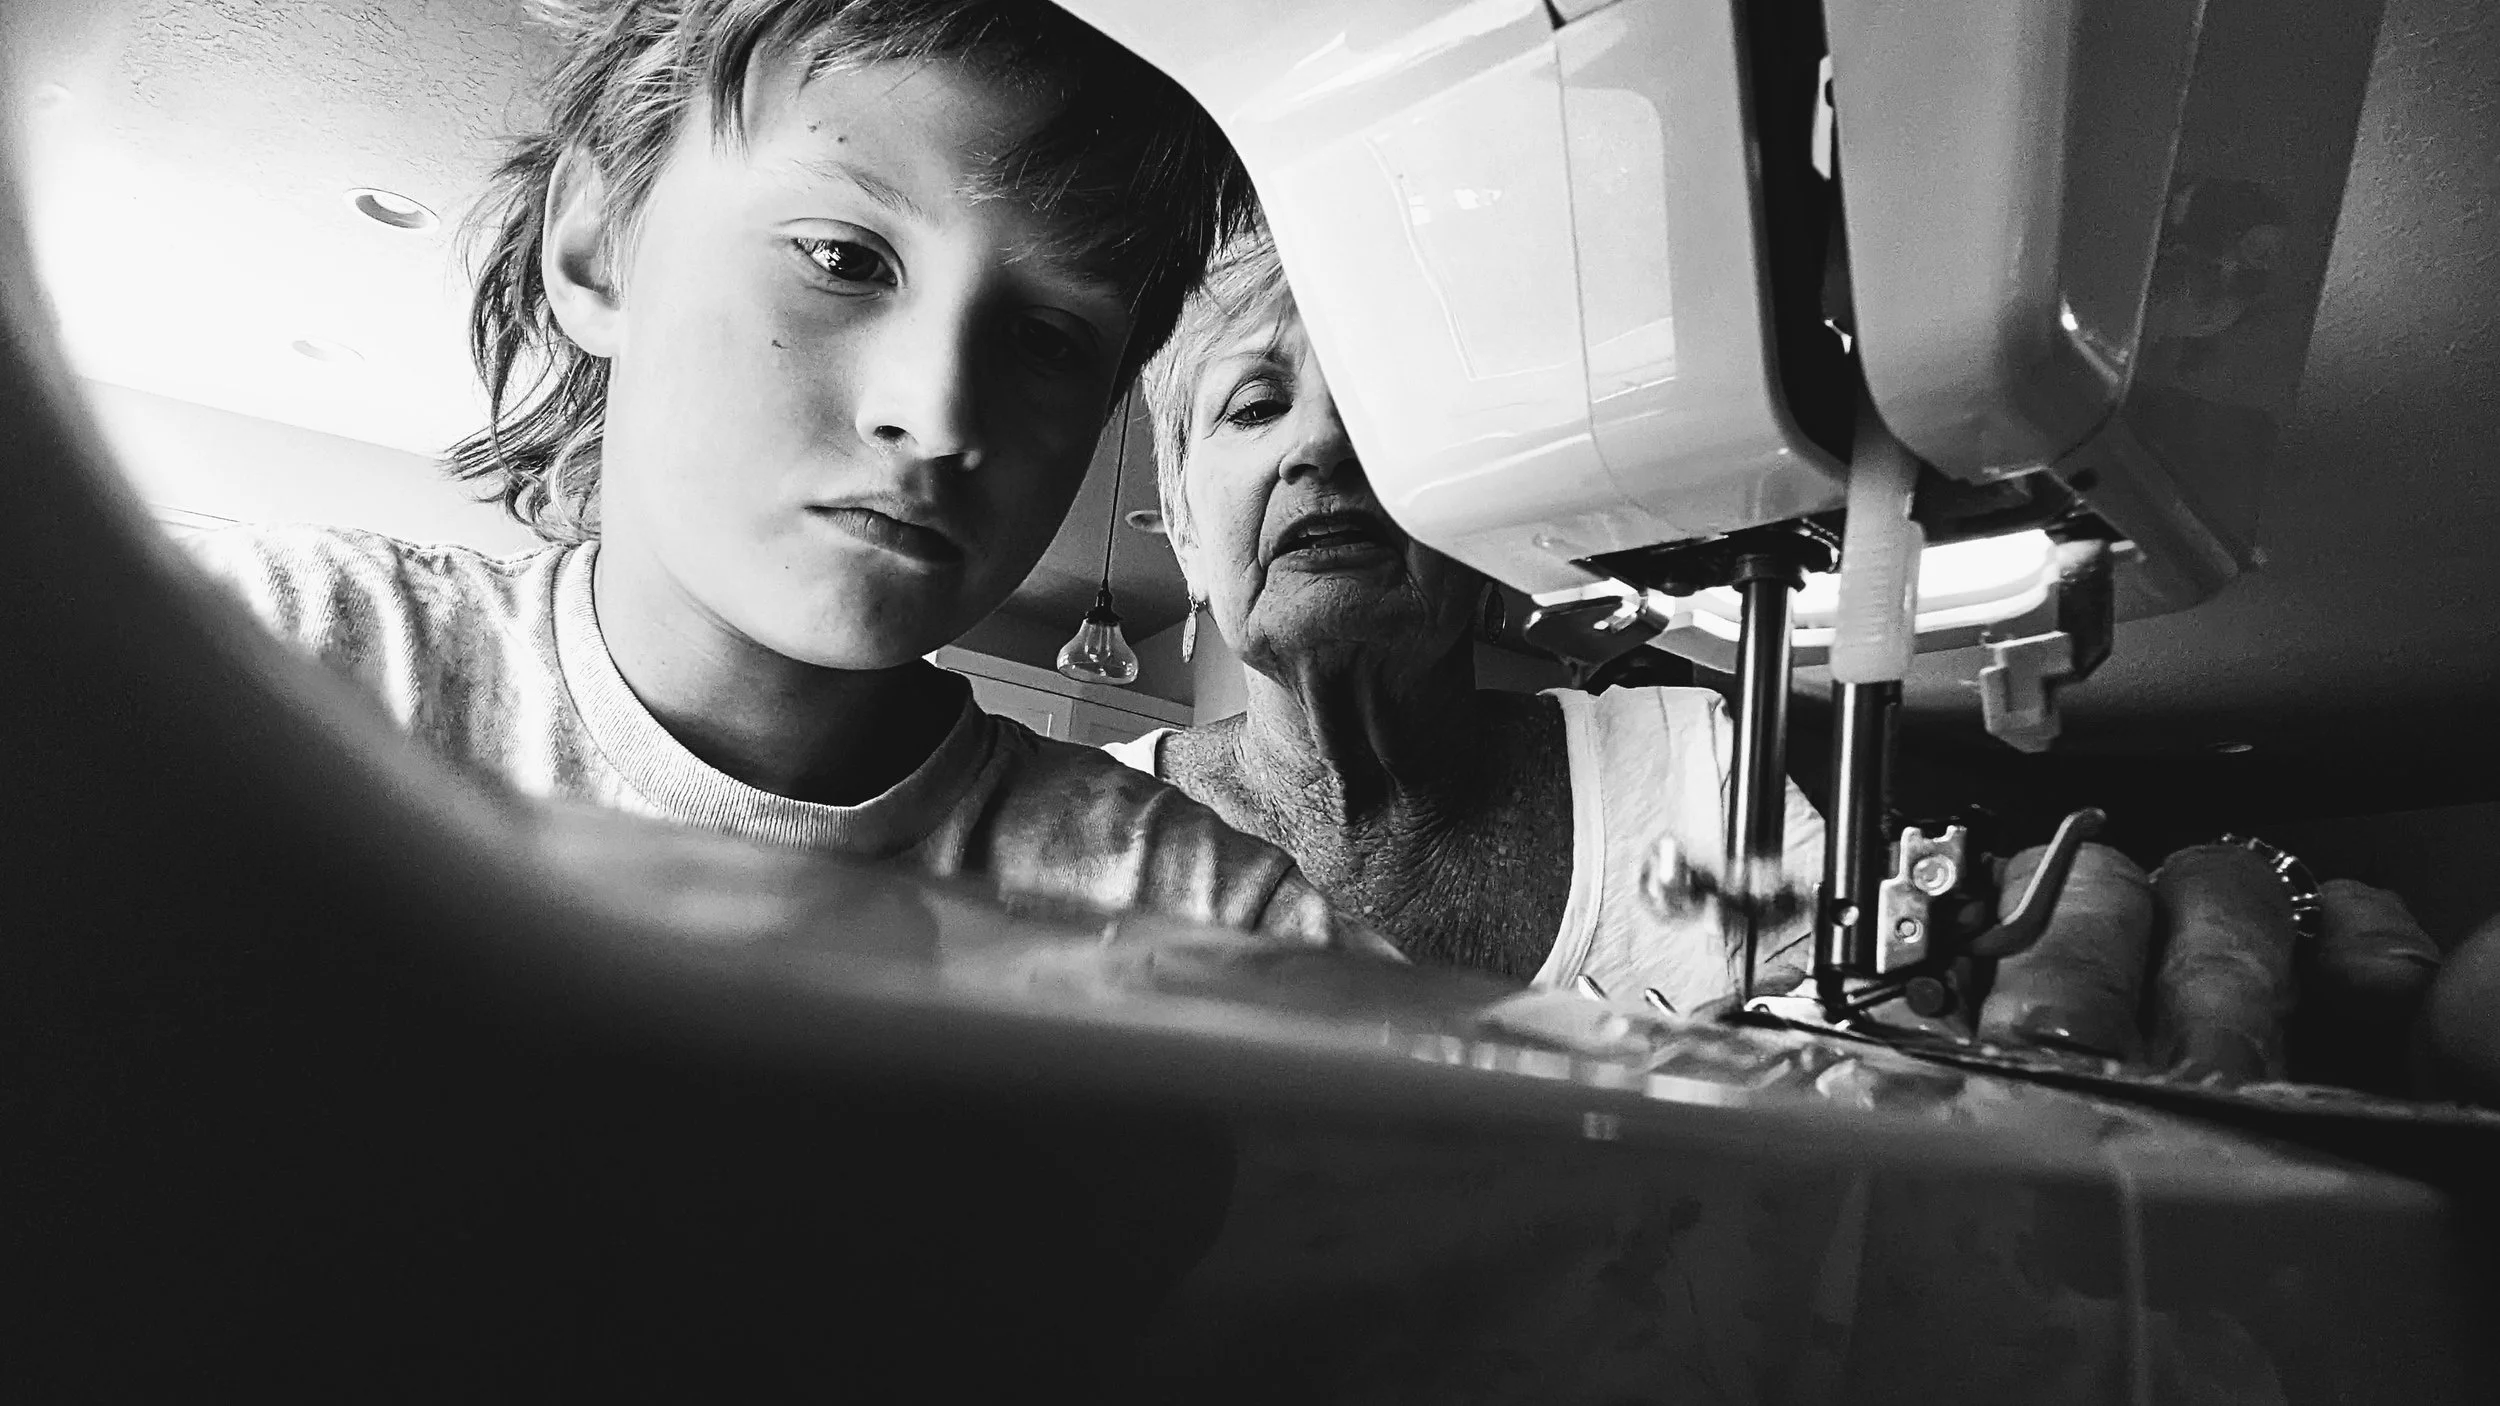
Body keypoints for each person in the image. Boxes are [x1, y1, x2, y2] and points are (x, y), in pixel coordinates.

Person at [1113, 223, 2443, 1073]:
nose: (1322, 444)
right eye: (1255, 403)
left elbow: (1914, 1014)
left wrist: (2239, 897)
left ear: (1489, 510)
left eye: (1388, 410)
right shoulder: (1057, 832)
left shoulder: (1691, 765)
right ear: (1178, 518)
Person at [182, 0, 1370, 950]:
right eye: (844, 258)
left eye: (1050, 337)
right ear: (596, 245)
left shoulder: (1219, 929)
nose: (938, 414)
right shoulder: (240, 662)